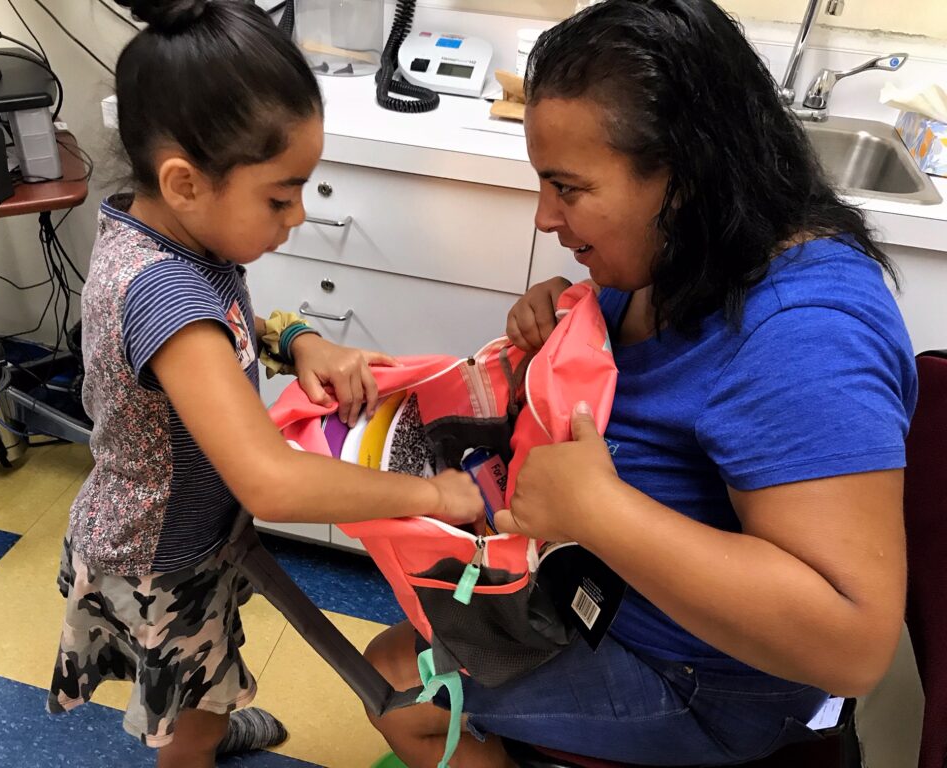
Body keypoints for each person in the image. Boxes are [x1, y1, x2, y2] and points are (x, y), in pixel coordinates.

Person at [364, 0, 917, 765]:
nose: (544, 217)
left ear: (684, 179)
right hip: (607, 603)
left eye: (568, 188)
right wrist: (565, 319)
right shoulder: (680, 254)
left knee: (398, 686)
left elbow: (850, 645)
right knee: (413, 633)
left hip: (711, 682)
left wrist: (601, 512)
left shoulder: (805, 333)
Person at [44, 3, 483, 767]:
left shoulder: (166, 235)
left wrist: (297, 342)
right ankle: (201, 740)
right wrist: (434, 498)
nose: (298, 216)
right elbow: (273, 484)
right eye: (280, 197)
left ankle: (210, 714)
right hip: (161, 560)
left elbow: (232, 322)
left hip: (194, 532)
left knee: (211, 672)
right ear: (184, 182)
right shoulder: (163, 294)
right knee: (193, 712)